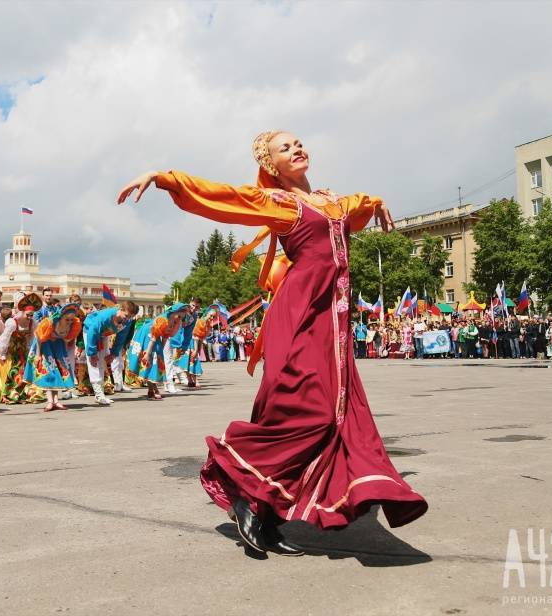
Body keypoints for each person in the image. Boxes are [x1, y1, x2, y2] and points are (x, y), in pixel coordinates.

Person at [117, 130, 426, 555]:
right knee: (310, 412)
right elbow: (223, 197)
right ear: (272, 166)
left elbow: (358, 207)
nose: (296, 148)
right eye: (285, 148)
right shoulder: (279, 203)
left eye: (298, 143)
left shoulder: (330, 201)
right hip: (298, 316)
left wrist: (377, 203)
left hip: (330, 322)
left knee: (336, 414)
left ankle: (261, 511)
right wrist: (167, 178)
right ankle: (238, 475)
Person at [24, 303, 82, 411]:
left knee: (59, 372)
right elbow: (39, 337)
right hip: (44, 345)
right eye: (67, 319)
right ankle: (50, 401)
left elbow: (65, 340)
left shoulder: (74, 325)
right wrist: (37, 355)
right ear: (61, 317)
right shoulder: (50, 322)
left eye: (71, 319)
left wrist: (64, 356)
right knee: (49, 373)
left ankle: (56, 401)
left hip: (57, 346)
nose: (70, 322)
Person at [81, 301, 138, 406]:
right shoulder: (105, 316)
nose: (127, 318)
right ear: (120, 309)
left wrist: (113, 354)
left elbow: (121, 338)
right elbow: (92, 332)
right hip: (90, 331)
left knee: (103, 361)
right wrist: (92, 353)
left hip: (104, 334)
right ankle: (99, 394)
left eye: (130, 317)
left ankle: (100, 393)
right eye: (126, 315)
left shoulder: (128, 321)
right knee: (93, 362)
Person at [127, 304, 188, 400]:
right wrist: (147, 353)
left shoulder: (175, 322)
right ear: (174, 312)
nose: (180, 319)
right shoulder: (162, 320)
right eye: (179, 316)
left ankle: (151, 390)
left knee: (157, 361)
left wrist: (161, 351)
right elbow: (153, 337)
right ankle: (153, 389)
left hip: (154, 338)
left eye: (182, 318)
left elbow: (165, 336)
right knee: (152, 362)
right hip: (147, 335)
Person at [0, 294, 41, 404]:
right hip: (11, 351)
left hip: (23, 350)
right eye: (28, 314)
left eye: (32, 315)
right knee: (13, 371)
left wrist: (33, 352)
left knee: (25, 371)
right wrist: (2, 353)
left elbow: (34, 338)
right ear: (22, 312)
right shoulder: (12, 322)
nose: (30, 317)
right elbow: (4, 339)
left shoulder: (32, 323)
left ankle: (24, 392)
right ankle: (11, 393)